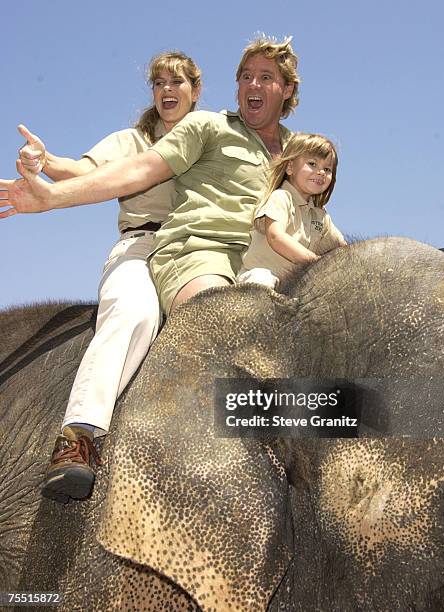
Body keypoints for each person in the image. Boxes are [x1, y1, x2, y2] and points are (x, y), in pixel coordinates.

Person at [0, 36, 300, 491]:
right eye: (245, 76)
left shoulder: (295, 151)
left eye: (265, 78)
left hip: (254, 261)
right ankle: (80, 435)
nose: (252, 84)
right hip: (167, 249)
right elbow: (122, 171)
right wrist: (51, 184)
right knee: (135, 312)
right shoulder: (194, 130)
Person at [13, 51, 202, 503]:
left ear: (195, 91)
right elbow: (85, 171)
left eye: (177, 82)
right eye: (159, 83)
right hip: (142, 245)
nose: (167, 90)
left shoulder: (211, 134)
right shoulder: (132, 140)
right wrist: (44, 160)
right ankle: (79, 438)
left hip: (199, 253)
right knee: (132, 312)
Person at [237, 133, 347, 289]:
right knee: (262, 279)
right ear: (290, 167)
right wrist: (315, 263)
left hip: (293, 287)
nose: (321, 172)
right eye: (312, 164)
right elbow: (275, 236)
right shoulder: (281, 197)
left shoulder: (320, 216)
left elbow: (342, 247)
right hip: (261, 276)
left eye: (327, 169)